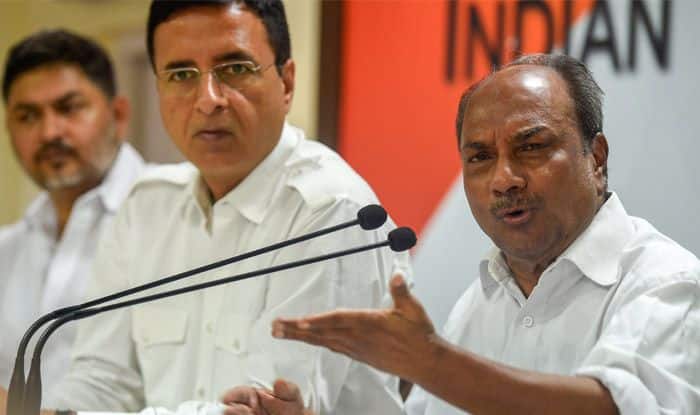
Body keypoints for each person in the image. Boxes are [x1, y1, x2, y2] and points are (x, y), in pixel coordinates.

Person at [260, 54, 700, 415]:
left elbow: (616, 407)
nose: (504, 179)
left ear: (596, 158)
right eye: (481, 158)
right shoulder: (479, 301)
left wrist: (433, 362)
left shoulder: (665, 282)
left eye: (532, 147)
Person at [45, 1, 410, 415]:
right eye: (181, 75)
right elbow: (103, 379)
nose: (208, 100)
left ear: (287, 83)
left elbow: (265, 408)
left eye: (235, 68)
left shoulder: (329, 209)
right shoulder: (146, 206)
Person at [0, 29, 145, 406]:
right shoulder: (6, 250)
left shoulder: (177, 218)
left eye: (69, 108)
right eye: (27, 116)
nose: (49, 132)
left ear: (118, 115)